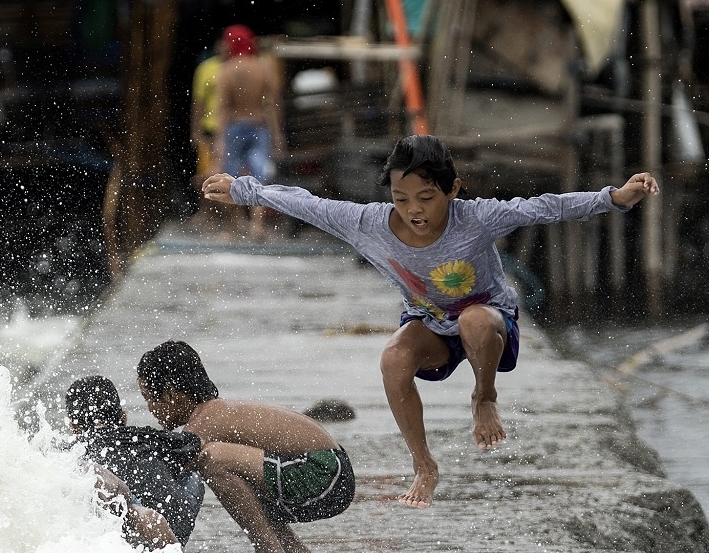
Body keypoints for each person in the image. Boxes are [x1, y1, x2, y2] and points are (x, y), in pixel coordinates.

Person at [202, 134, 658, 508]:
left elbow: (544, 206)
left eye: (426, 198)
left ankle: (484, 397)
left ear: (452, 189)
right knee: (393, 358)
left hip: (490, 326)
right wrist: (243, 190)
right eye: (401, 199)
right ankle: (424, 465)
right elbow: (306, 203)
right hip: (431, 325)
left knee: (474, 321)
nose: (414, 210)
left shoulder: (476, 218)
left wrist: (615, 198)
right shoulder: (368, 224)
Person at [136, 340, 354, 553]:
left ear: (172, 395)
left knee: (211, 458)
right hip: (335, 475)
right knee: (240, 480)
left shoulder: (204, 424)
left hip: (323, 473)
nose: (150, 409)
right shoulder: (216, 413)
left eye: (149, 399)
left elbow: (164, 477)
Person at [65, 375, 206, 551]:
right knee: (191, 476)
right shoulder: (145, 437)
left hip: (111, 535)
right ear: (124, 417)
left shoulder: (71, 453)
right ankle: (174, 550)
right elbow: (196, 443)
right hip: (168, 526)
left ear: (74, 427)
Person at [211, 25, 282, 242]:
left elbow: (223, 108)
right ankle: (257, 226)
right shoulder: (264, 68)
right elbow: (273, 105)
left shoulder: (226, 70)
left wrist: (219, 139)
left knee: (230, 177)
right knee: (259, 176)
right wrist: (278, 134)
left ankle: (231, 228)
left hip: (234, 126)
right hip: (258, 125)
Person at [189, 32, 229, 182]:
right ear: (217, 45)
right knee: (205, 175)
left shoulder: (237, 67)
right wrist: (195, 131)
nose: (226, 48)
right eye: (223, 44)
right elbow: (198, 102)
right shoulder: (205, 68)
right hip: (209, 128)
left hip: (230, 129)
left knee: (229, 176)